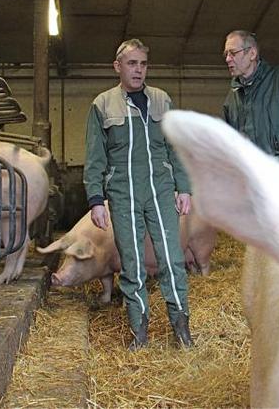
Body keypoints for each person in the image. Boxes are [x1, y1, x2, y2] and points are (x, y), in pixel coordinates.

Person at [83, 38, 193, 351]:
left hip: (160, 189)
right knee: (131, 265)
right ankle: (139, 332)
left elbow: (175, 147)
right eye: (132, 63)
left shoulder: (161, 100)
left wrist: (184, 188)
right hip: (123, 192)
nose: (139, 70)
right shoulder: (102, 104)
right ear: (118, 67)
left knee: (172, 259)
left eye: (143, 64)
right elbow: (95, 157)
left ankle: (182, 330)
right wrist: (95, 199)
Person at [222, 30, 279, 171]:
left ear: (252, 54)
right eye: (226, 54)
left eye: (233, 53)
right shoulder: (232, 98)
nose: (228, 59)